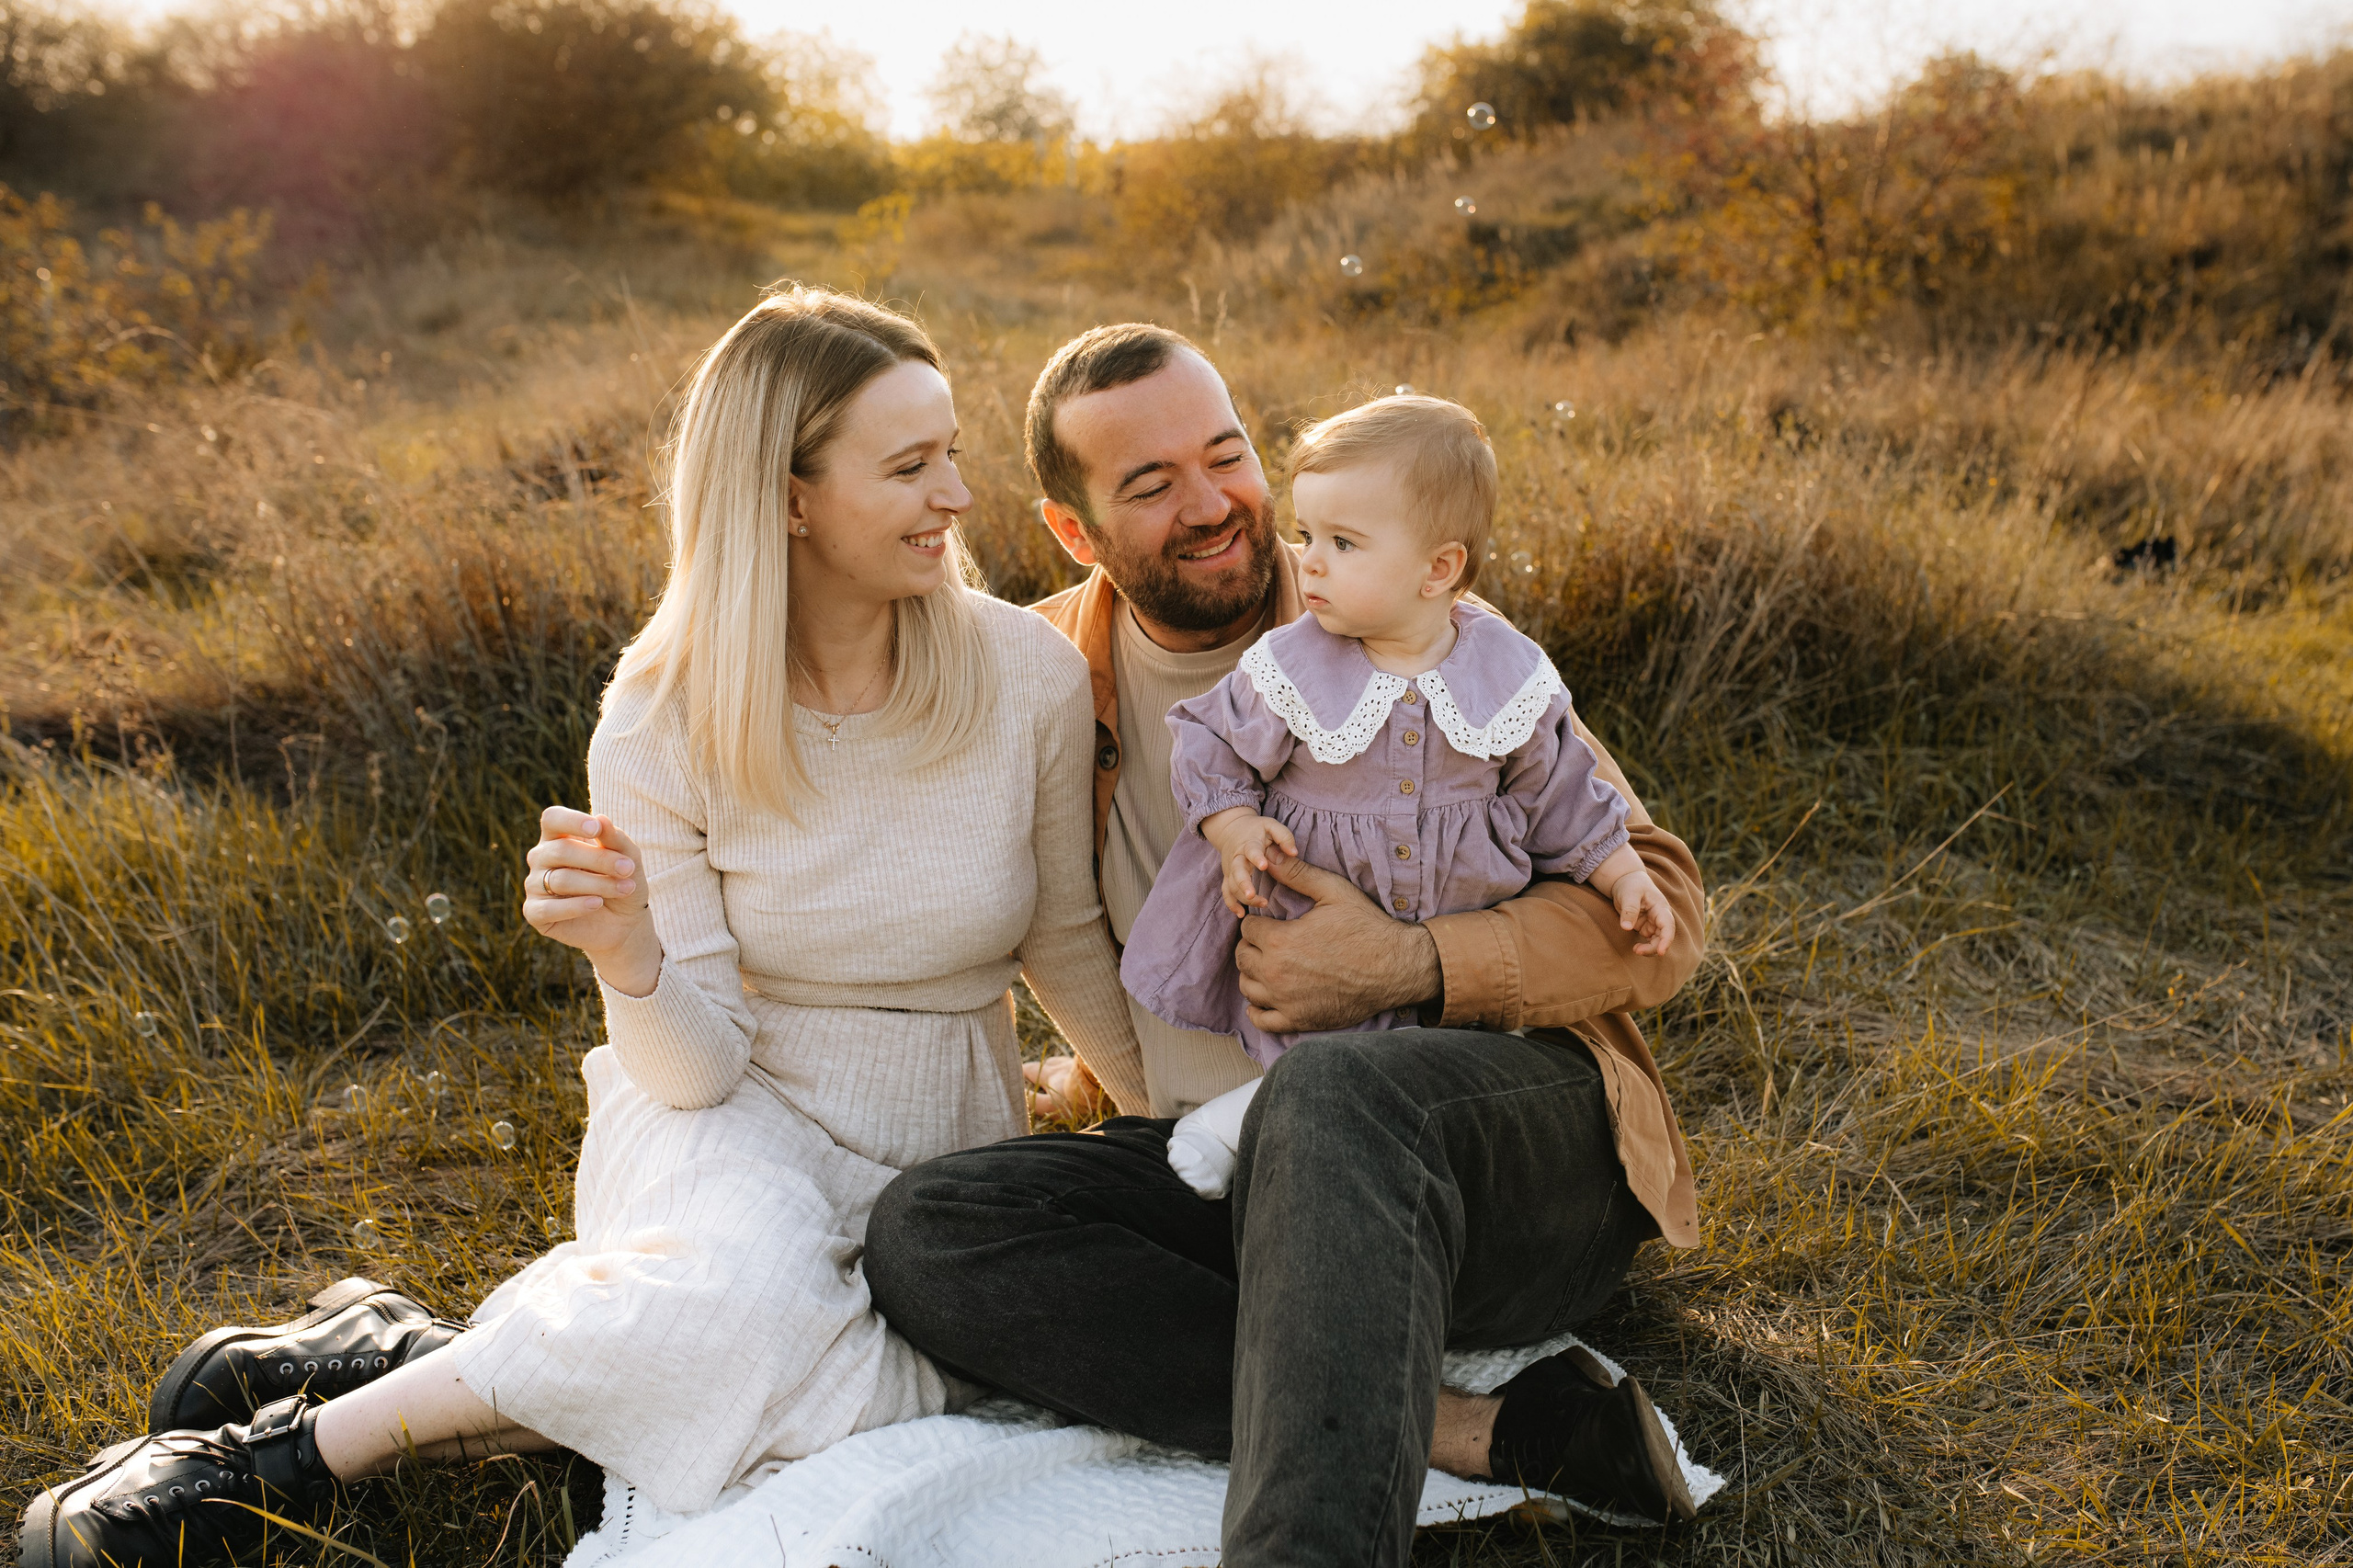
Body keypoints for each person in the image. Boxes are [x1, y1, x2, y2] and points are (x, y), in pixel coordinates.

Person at [17, 288, 1147, 1568]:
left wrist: (1189, 1124)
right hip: (731, 1117)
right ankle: (274, 1455)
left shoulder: (1028, 676)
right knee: (741, 1324)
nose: (955, 493)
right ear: (786, 497)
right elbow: (696, 1064)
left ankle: (415, 1347)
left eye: (951, 450)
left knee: (914, 1384)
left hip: (942, 1120)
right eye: (909, 465)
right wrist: (628, 955)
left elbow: (1064, 935)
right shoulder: (662, 713)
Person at [862, 324, 1709, 1568]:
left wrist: (1413, 963)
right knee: (930, 1232)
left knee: (1330, 1092)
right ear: (1075, 532)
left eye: (1227, 454)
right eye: (1150, 485)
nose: (1213, 506)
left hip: (1503, 1159)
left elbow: (1666, 919)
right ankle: (1476, 1427)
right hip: (1232, 1174)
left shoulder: (1422, 627)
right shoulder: (1035, 677)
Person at [1123, 392, 1677, 1075]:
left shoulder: (1508, 671)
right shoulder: (1292, 665)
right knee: (1319, 1062)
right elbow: (1212, 739)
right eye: (1306, 536)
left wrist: (1622, 875)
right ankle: (1248, 1119)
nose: (1311, 563)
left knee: (1457, 1064)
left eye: (1343, 543)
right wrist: (1234, 827)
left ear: (1438, 569)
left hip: (1456, 959)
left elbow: (1561, 789)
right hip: (1315, 931)